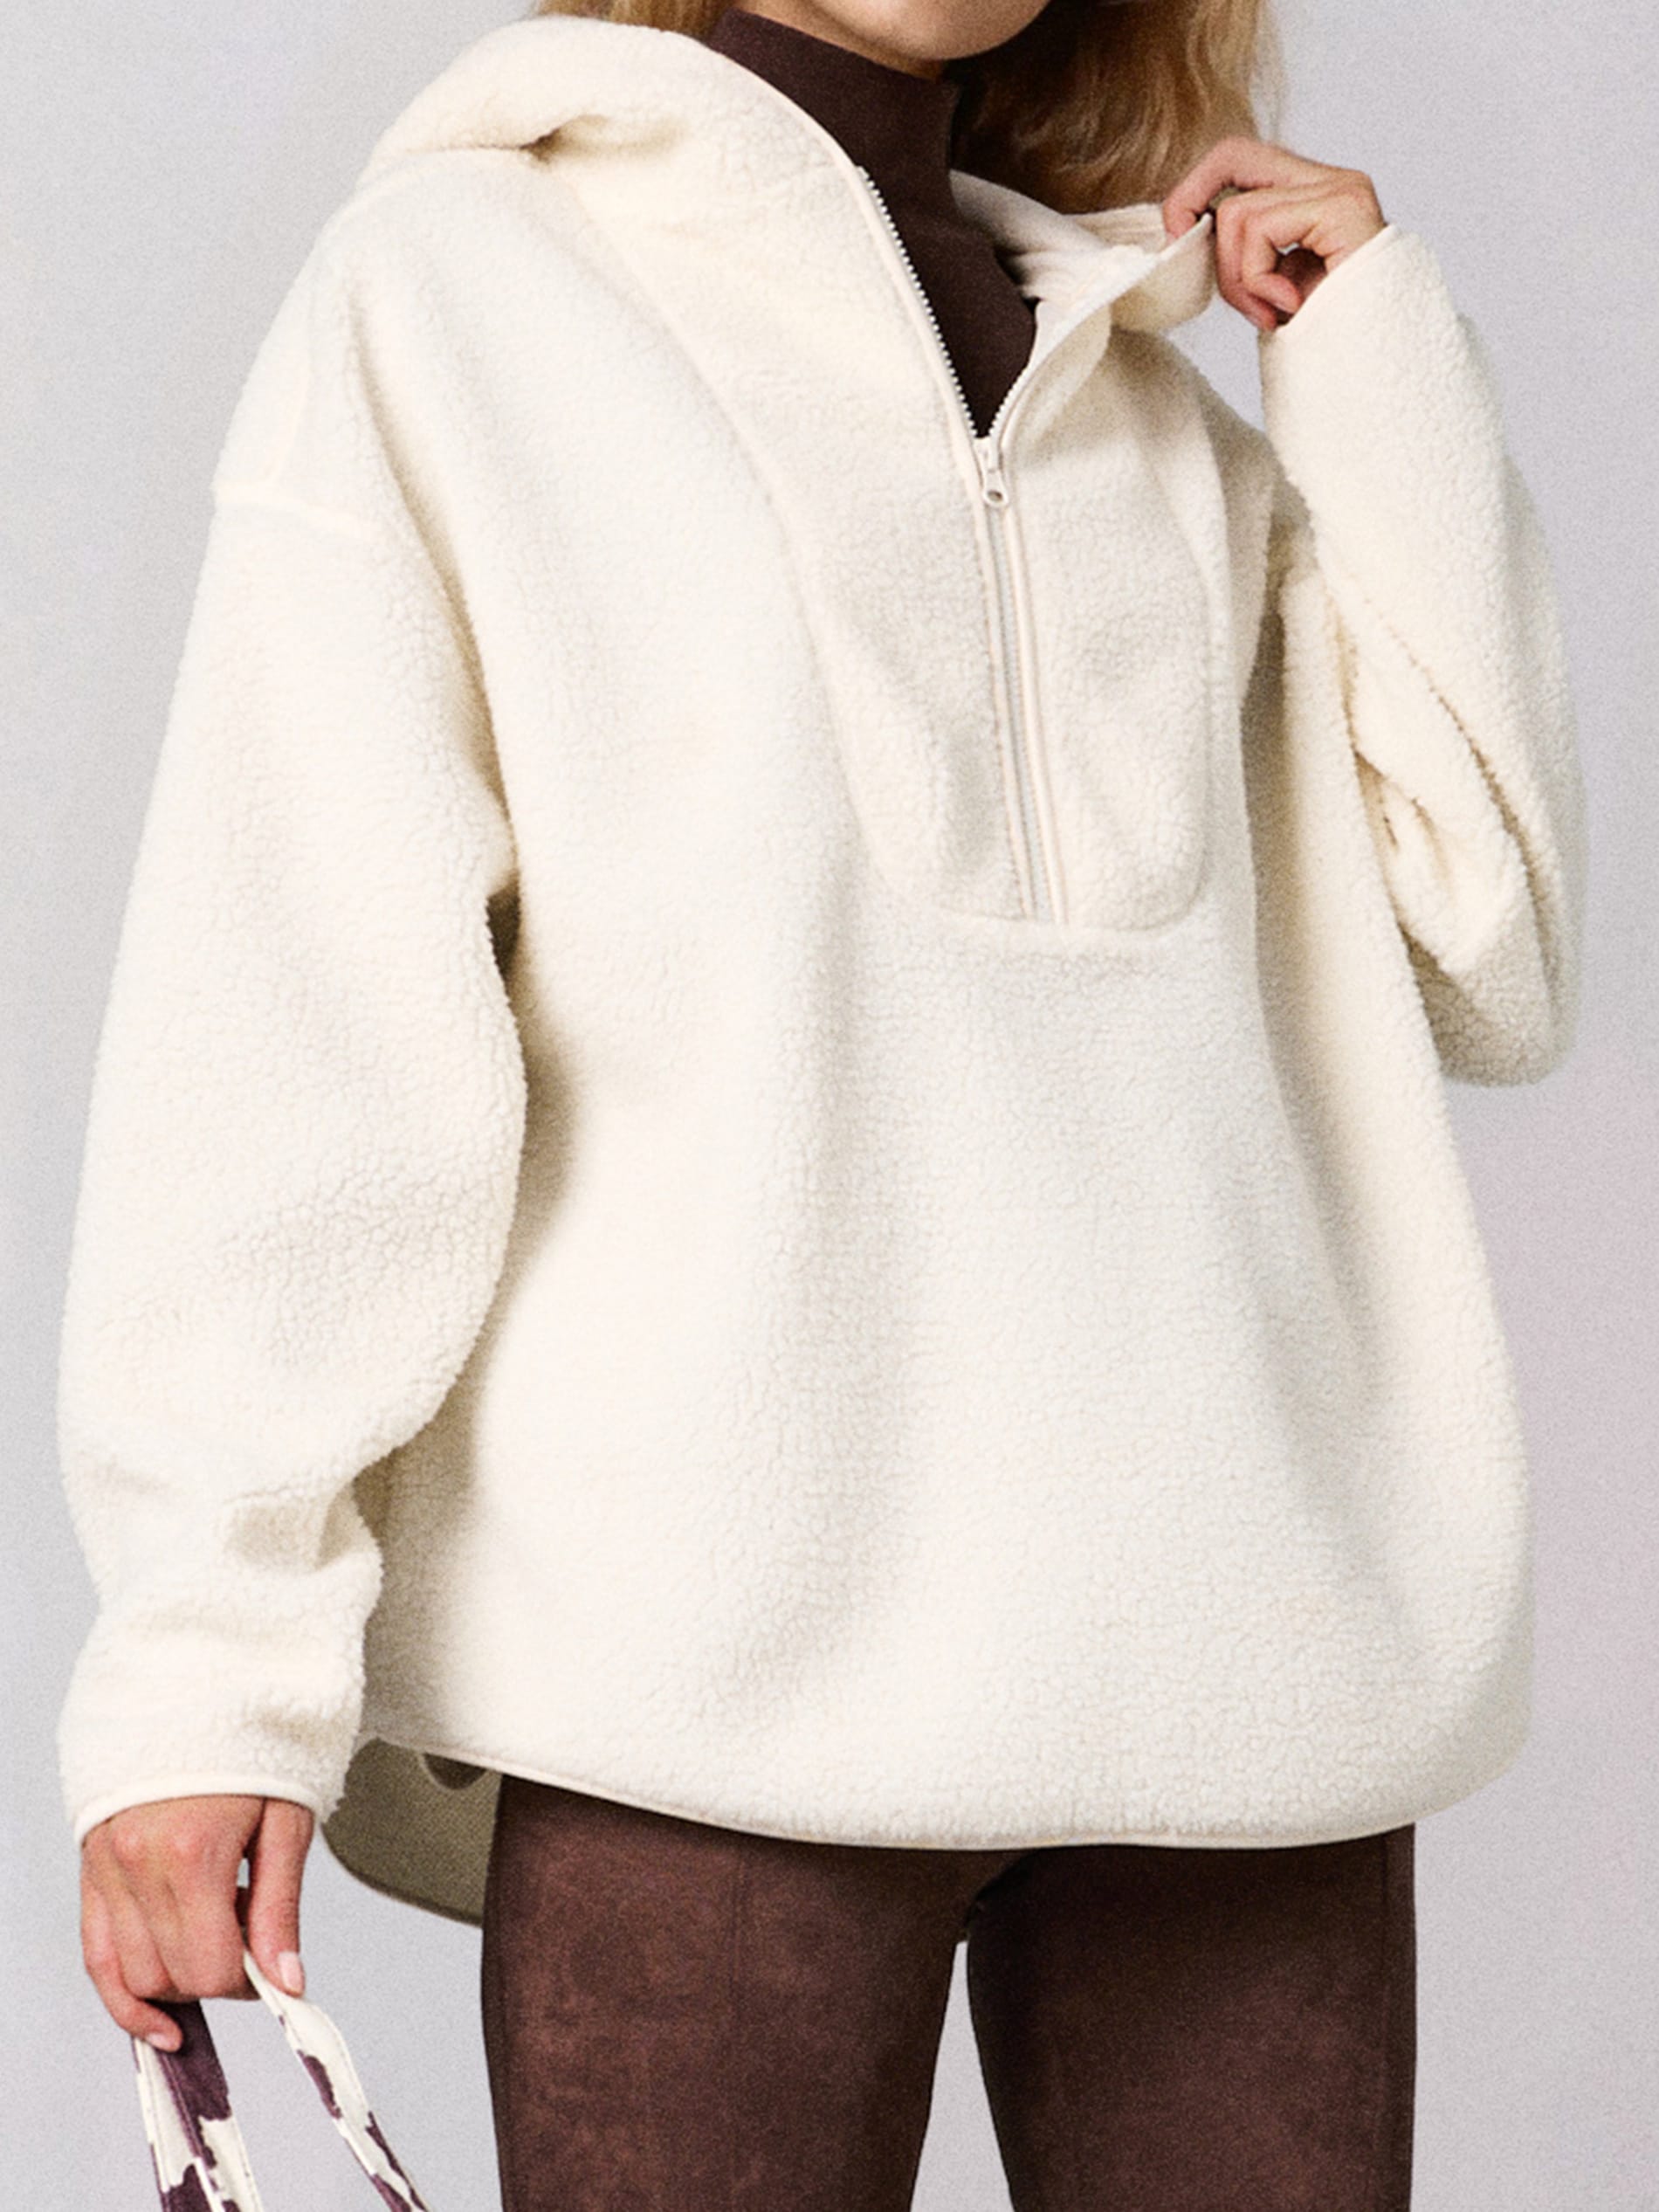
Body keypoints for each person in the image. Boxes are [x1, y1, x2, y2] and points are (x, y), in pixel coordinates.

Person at [60, 0, 1586, 2204]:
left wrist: (1368, 359)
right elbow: (296, 1022)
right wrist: (206, 1666)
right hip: (700, 1692)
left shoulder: (1160, 404)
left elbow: (1490, 954)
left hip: (1245, 1683)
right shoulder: (458, 292)